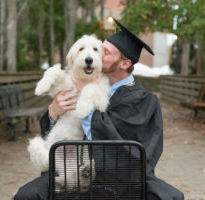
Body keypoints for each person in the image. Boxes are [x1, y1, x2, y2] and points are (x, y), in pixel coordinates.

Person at [14, 18, 184, 200]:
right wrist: (53, 113)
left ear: (124, 64)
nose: (94, 56)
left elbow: (128, 151)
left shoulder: (143, 101)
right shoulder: (82, 79)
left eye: (105, 52)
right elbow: (58, 133)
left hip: (118, 180)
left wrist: (84, 94)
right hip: (70, 168)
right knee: (27, 195)